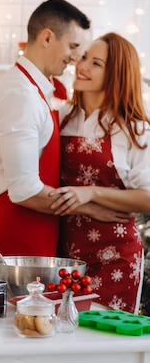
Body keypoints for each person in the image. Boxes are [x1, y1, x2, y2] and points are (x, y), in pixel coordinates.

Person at [0, 0, 120, 267]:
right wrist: (89, 208)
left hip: (31, 229)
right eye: (72, 46)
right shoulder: (21, 95)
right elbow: (25, 190)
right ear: (47, 37)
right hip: (11, 231)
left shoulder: (36, 90)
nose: (74, 58)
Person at [50, 33, 150, 313]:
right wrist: (86, 205)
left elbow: (147, 198)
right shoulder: (60, 117)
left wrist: (90, 193)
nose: (82, 66)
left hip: (117, 258)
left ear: (116, 74)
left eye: (96, 63)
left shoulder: (135, 129)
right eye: (83, 57)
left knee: (105, 345)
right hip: (65, 256)